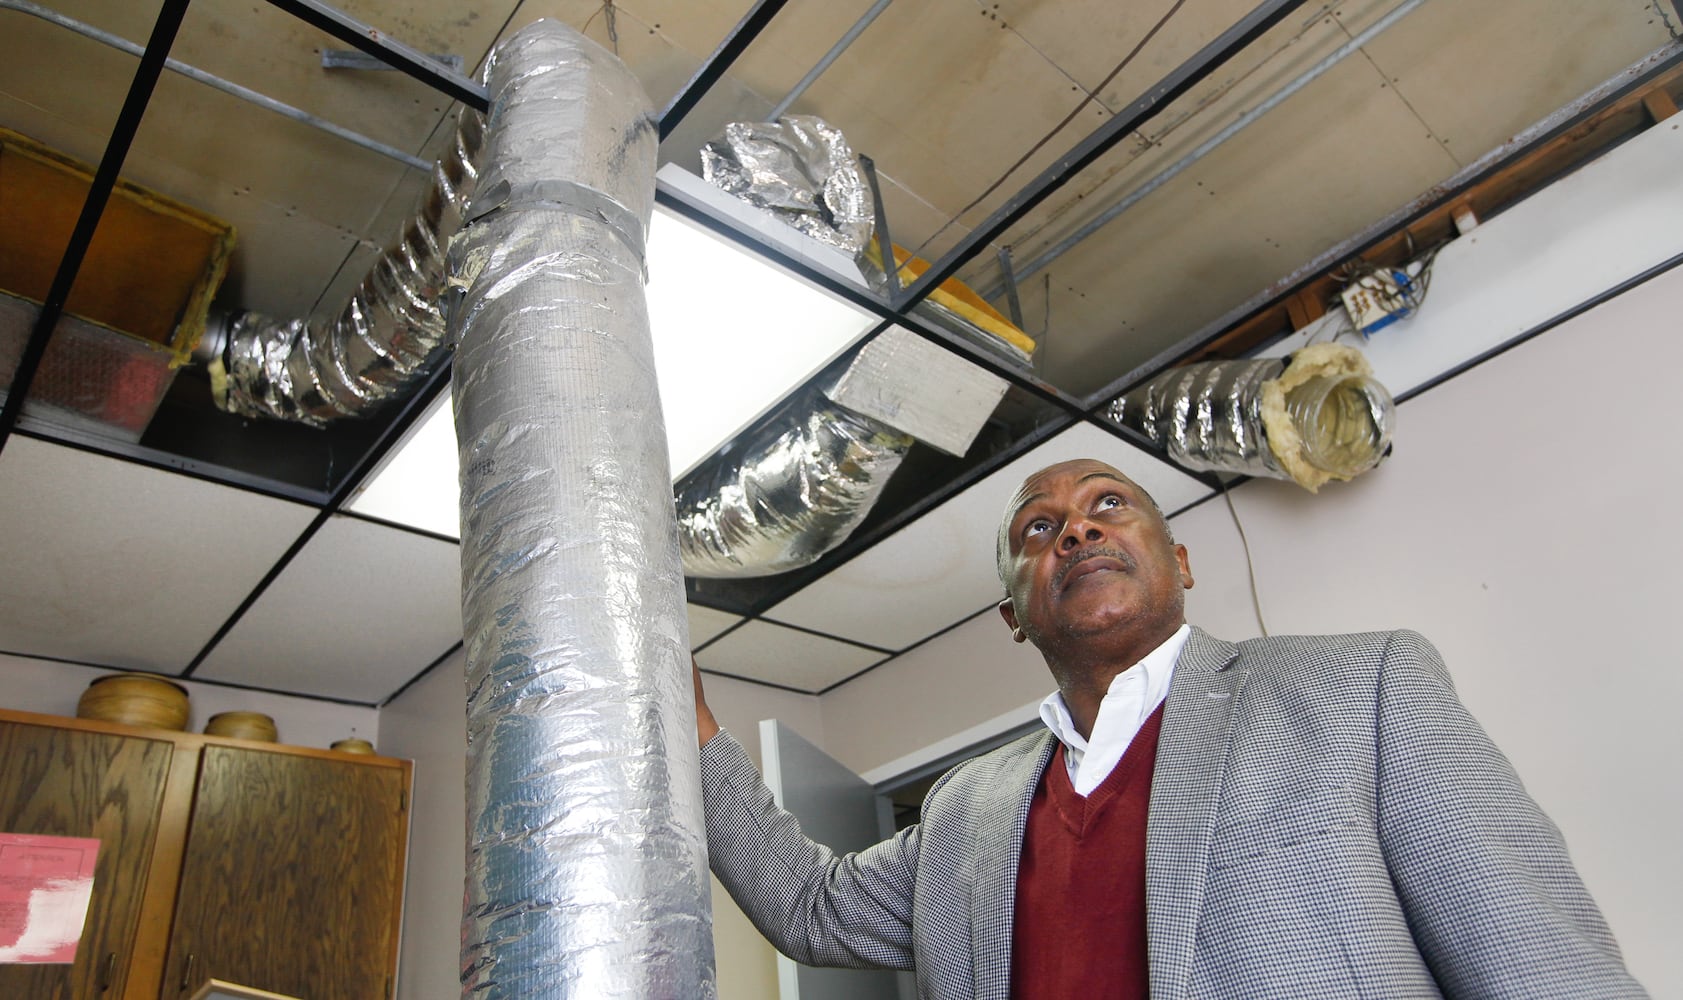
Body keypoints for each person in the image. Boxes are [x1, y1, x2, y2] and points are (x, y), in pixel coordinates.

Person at [693, 458, 1645, 998]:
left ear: (1180, 561)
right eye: (1038, 529)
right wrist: (684, 721)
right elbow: (809, 908)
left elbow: (1545, 968)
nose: (1074, 530)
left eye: (1108, 505)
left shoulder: (1363, 688)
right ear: (1013, 617)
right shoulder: (961, 812)